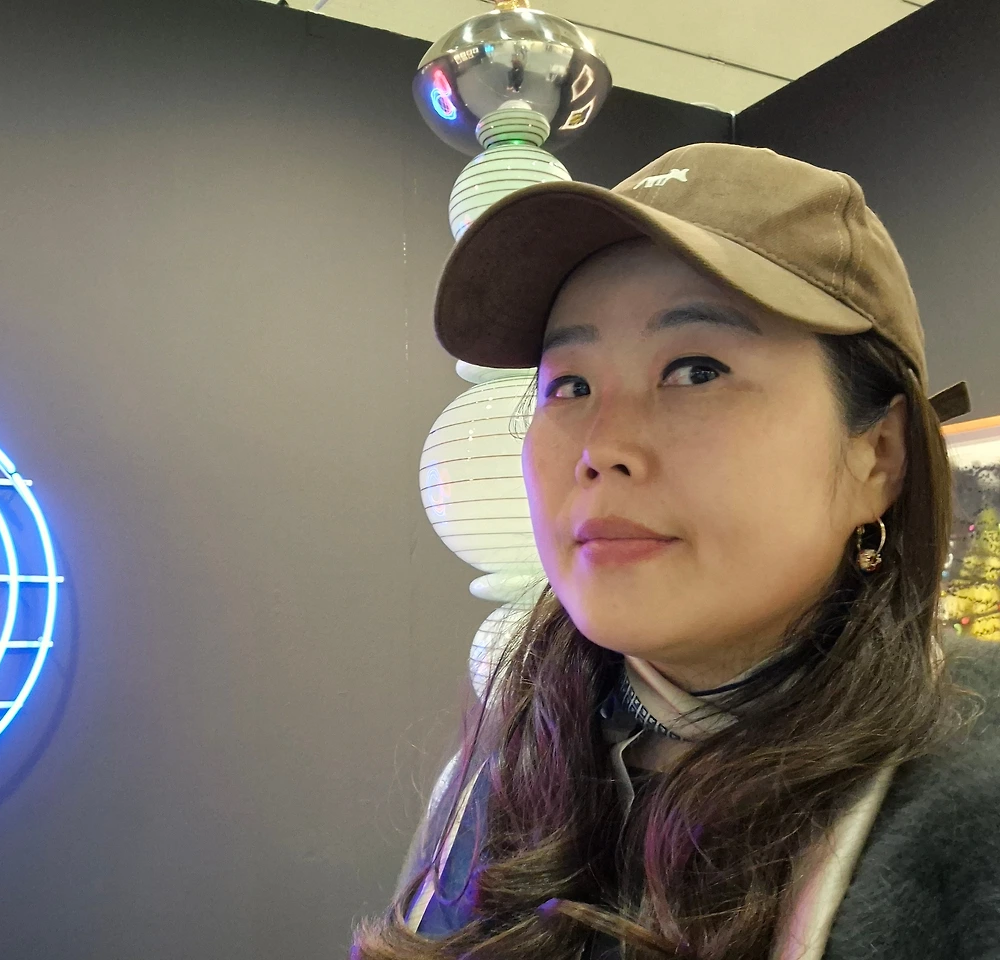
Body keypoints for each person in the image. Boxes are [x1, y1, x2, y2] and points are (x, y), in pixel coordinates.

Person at [350, 142, 1000, 960]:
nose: (602, 447)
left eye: (695, 370)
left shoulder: (971, 790)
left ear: (878, 456)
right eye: (570, 386)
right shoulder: (506, 765)